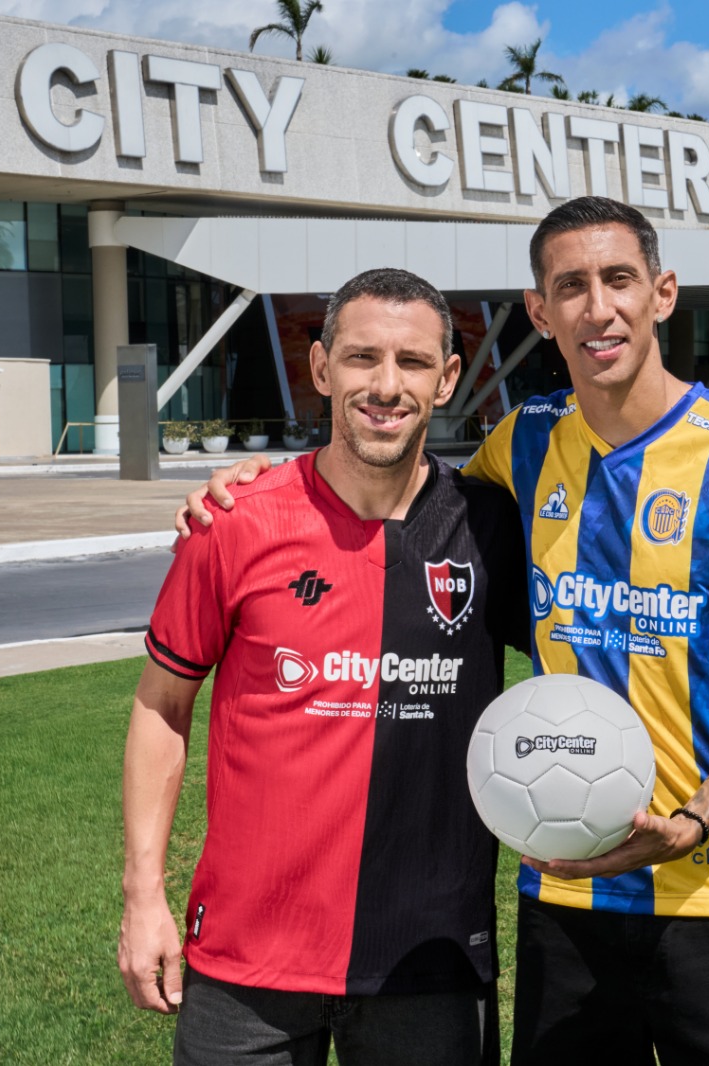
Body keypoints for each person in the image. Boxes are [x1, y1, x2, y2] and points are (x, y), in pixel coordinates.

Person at [180, 196, 709, 1065]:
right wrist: (264, 482)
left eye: (619, 280)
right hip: (566, 894)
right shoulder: (526, 443)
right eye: (570, 286)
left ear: (663, 292)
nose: (597, 308)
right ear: (539, 312)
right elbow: (396, 480)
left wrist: (693, 817)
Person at [122, 267, 527, 1065]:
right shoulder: (235, 524)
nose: (385, 385)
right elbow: (160, 707)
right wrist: (143, 897)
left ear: (448, 379)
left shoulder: (490, 530)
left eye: (412, 363)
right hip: (246, 963)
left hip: (430, 956)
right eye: (361, 358)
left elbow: (588, 656)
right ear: (319, 369)